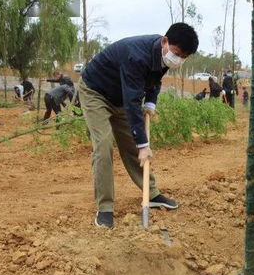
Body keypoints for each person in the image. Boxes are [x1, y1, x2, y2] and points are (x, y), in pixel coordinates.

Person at [78, 22, 199, 228]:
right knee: (104, 145)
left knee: (133, 145)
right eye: (177, 53)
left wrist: (151, 101)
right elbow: (132, 101)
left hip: (120, 97)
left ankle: (151, 194)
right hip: (96, 92)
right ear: (165, 42)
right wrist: (143, 144)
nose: (178, 59)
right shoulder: (136, 55)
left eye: (183, 57)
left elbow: (154, 79)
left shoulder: (162, 55)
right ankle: (105, 207)